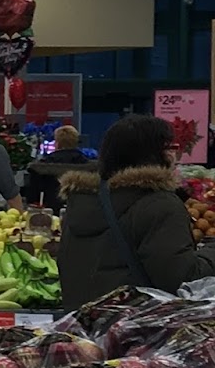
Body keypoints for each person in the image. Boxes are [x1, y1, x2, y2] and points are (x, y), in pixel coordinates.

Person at [57, 115, 215, 309]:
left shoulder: (82, 200)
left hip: (84, 322)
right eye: (171, 148)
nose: (175, 155)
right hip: (137, 323)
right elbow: (183, 279)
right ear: (156, 154)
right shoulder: (159, 204)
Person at [25, 125, 90, 206]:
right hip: (79, 207)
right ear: (76, 142)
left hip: (49, 207)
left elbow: (32, 195)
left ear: (57, 143)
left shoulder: (42, 164)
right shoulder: (86, 164)